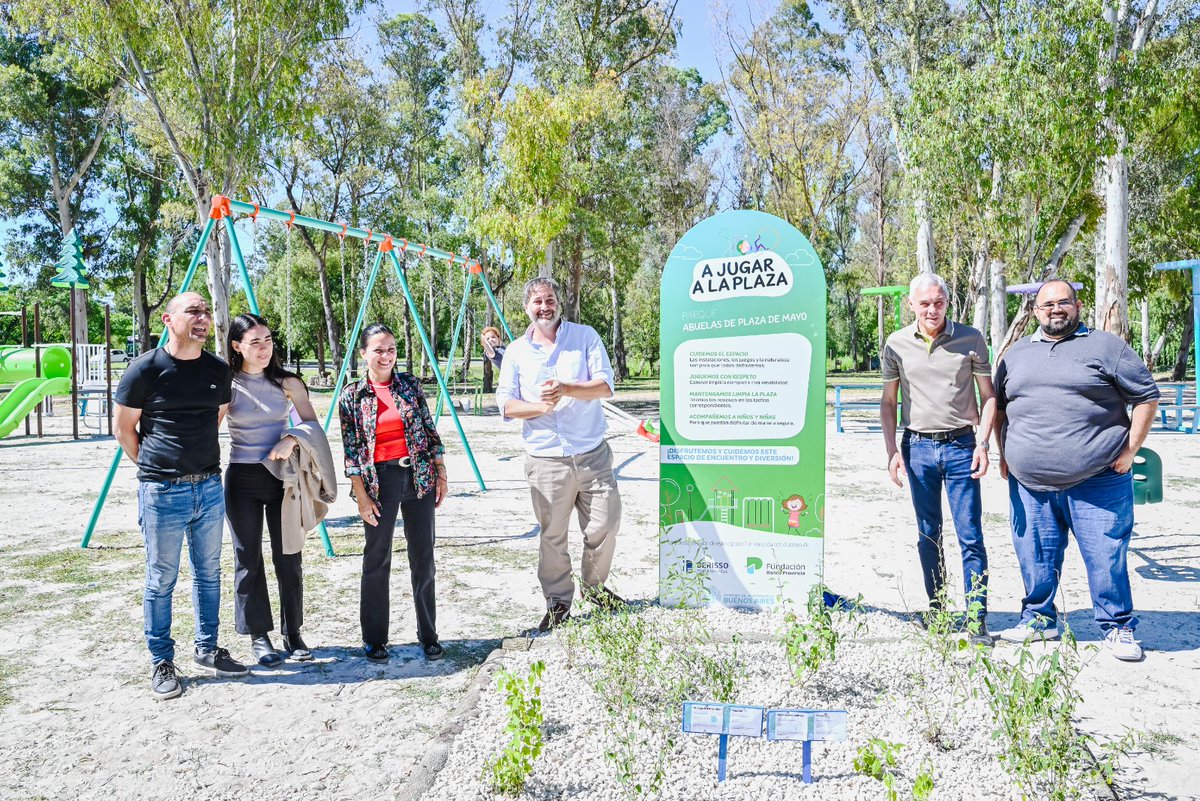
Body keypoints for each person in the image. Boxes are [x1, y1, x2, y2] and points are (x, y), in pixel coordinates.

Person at [994, 280, 1159, 661]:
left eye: (1063, 302)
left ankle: (1117, 626)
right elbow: (1002, 407)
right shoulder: (1016, 354)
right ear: (1035, 311)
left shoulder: (1106, 347)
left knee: (1106, 557)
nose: (1055, 309)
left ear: (1078, 305)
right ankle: (1039, 618)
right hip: (1029, 485)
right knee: (1034, 557)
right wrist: (1005, 453)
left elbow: (1146, 396)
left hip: (1097, 481)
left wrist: (1132, 449)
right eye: (1047, 304)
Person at [114, 292, 248, 701]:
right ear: (169, 321)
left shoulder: (218, 369)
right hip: (161, 492)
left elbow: (218, 415)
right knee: (161, 579)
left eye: (206, 311)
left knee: (209, 575)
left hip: (209, 487)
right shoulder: (145, 369)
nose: (203, 318)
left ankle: (207, 649)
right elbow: (124, 430)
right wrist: (157, 468)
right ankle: (161, 661)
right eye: (193, 311)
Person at [496, 277, 624, 633]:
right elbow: (504, 402)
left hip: (592, 453)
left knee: (606, 523)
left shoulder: (584, 337)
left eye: (549, 299)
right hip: (546, 459)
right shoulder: (517, 351)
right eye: (537, 302)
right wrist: (539, 406)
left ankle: (595, 589)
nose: (544, 307)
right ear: (526, 307)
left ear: (558, 303)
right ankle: (558, 601)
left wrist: (566, 388)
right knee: (552, 534)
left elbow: (606, 386)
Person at [880, 273, 996, 645]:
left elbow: (988, 397)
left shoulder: (971, 339)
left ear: (948, 303)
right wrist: (892, 452)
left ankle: (976, 620)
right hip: (918, 450)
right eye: (925, 303)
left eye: (939, 302)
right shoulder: (895, 344)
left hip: (963, 447)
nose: (932, 310)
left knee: (970, 536)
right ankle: (938, 611)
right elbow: (888, 403)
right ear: (911, 304)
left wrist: (984, 444)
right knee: (928, 534)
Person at [338, 323, 448, 662]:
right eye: (378, 350)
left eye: (391, 349)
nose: (386, 356)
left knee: (423, 558)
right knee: (377, 558)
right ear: (363, 354)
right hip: (378, 483)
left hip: (419, 477)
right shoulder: (352, 396)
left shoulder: (410, 386)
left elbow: (430, 431)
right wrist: (362, 497)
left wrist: (441, 473)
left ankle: (428, 634)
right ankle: (374, 638)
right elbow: (353, 454)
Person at [225, 313, 325, 667]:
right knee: (247, 558)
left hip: (283, 477)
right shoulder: (227, 383)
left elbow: (312, 424)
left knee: (289, 556)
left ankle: (293, 632)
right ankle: (258, 636)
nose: (264, 348)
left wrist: (291, 437)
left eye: (268, 340)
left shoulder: (288, 382)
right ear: (237, 347)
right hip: (242, 479)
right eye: (255, 342)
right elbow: (208, 427)